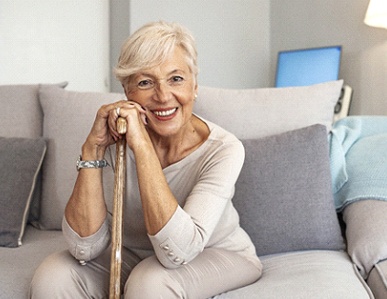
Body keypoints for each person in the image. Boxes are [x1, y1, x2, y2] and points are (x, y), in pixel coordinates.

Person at [29, 21, 262, 298]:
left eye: (176, 78)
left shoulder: (223, 149)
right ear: (128, 92)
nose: (163, 96)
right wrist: (93, 148)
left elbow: (178, 253)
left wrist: (141, 147)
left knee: (150, 282)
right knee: (53, 274)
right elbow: (84, 248)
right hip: (133, 255)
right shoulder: (113, 138)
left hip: (215, 253)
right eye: (145, 82)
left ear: (195, 85)